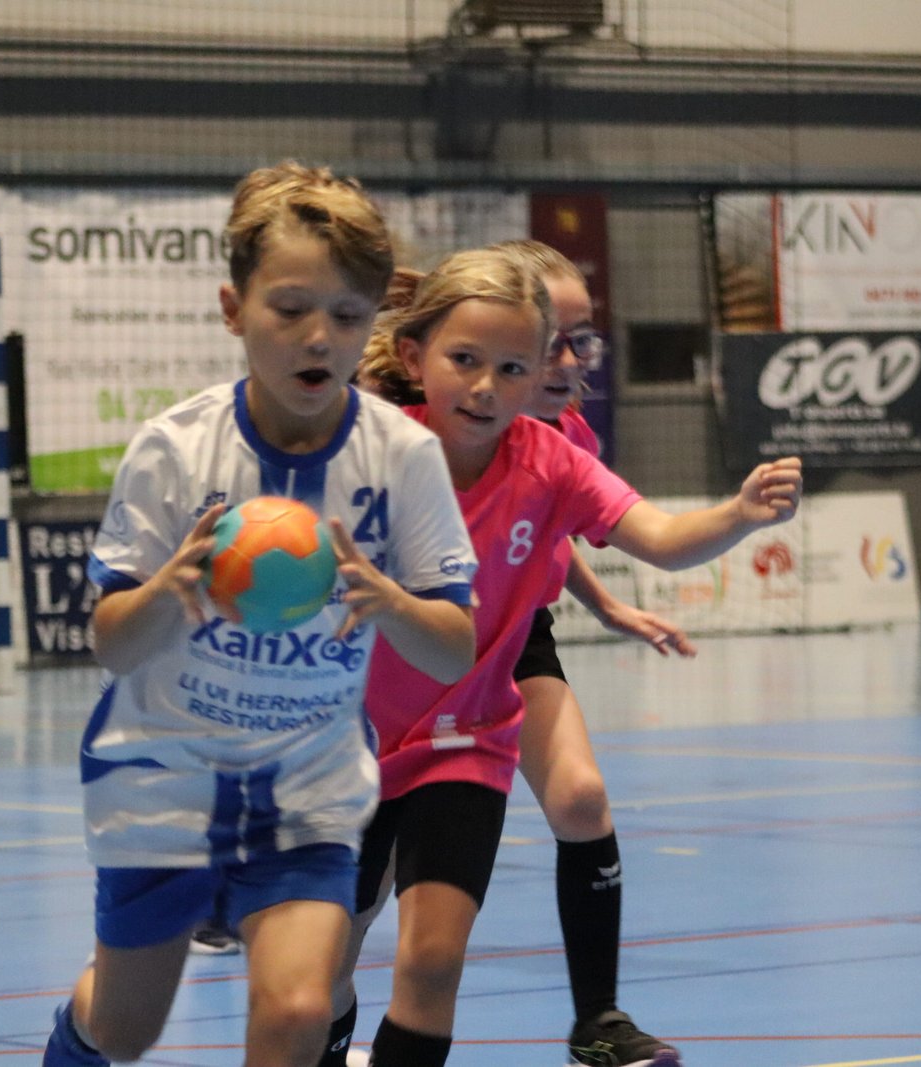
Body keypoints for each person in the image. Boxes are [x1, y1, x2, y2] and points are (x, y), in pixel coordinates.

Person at [41, 161, 478, 1067]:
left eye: (348, 316)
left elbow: (452, 652)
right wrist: (168, 591)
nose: (319, 337)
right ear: (232, 309)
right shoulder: (173, 450)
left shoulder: (402, 456)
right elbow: (112, 645)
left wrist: (391, 600)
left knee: (298, 1009)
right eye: (289, 309)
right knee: (124, 1029)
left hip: (309, 785)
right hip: (161, 778)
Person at [330, 244, 802, 1067]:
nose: (486, 385)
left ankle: (599, 1017)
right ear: (415, 358)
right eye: (465, 360)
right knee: (321, 972)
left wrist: (736, 514)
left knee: (432, 959)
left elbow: (658, 535)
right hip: (354, 741)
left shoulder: (554, 458)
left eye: (512, 367)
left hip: (467, 737)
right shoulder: (370, 450)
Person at [497, 240, 695, 1067]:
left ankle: (598, 1021)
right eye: (554, 342)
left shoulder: (566, 433)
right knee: (379, 872)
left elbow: (551, 521)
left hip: (516, 634)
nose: (574, 360)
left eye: (582, 340)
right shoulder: (442, 427)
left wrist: (605, 602)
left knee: (580, 798)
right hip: (416, 645)